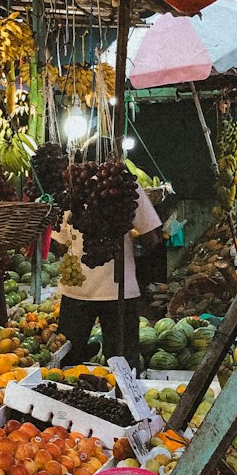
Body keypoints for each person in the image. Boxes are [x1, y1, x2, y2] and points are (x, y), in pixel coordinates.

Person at [52, 154, 162, 367]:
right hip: (120, 288)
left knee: (67, 361)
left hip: (78, 289)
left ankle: (66, 399)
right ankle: (123, 399)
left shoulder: (74, 187)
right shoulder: (126, 186)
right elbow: (151, 238)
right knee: (123, 364)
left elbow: (60, 242)